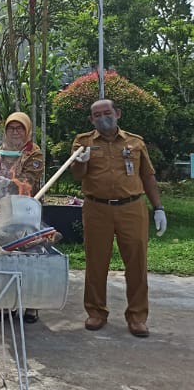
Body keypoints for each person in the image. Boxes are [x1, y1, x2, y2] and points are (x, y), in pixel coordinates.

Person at [71, 99, 166, 338]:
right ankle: (96, 312)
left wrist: (159, 208)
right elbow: (76, 175)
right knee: (96, 263)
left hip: (131, 208)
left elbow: (148, 176)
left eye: (107, 112)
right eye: (96, 115)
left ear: (117, 114)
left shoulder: (135, 142)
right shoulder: (83, 142)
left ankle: (137, 316)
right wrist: (80, 162)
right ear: (91, 120)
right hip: (97, 209)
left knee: (136, 263)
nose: (102, 117)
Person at [0, 111, 45, 324]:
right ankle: (4, 303)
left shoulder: (34, 153)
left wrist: (6, 180)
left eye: (19, 128)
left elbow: (28, 180)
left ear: (27, 130)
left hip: (26, 211)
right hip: (1, 209)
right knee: (3, 255)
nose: (15, 132)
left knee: (28, 255)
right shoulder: (0, 152)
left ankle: (30, 305)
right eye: (11, 128)